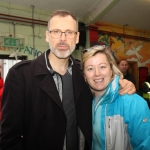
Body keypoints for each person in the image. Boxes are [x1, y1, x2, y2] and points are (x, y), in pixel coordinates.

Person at [0, 10, 136, 150]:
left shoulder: (84, 72)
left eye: (69, 32)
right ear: (47, 36)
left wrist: (123, 84)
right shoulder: (21, 75)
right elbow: (9, 138)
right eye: (56, 32)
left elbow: (104, 90)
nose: (63, 38)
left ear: (77, 38)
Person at [81, 45, 150, 150]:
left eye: (102, 67)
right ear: (85, 75)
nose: (97, 73)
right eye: (90, 69)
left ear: (111, 70)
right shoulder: (84, 102)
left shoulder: (133, 103)